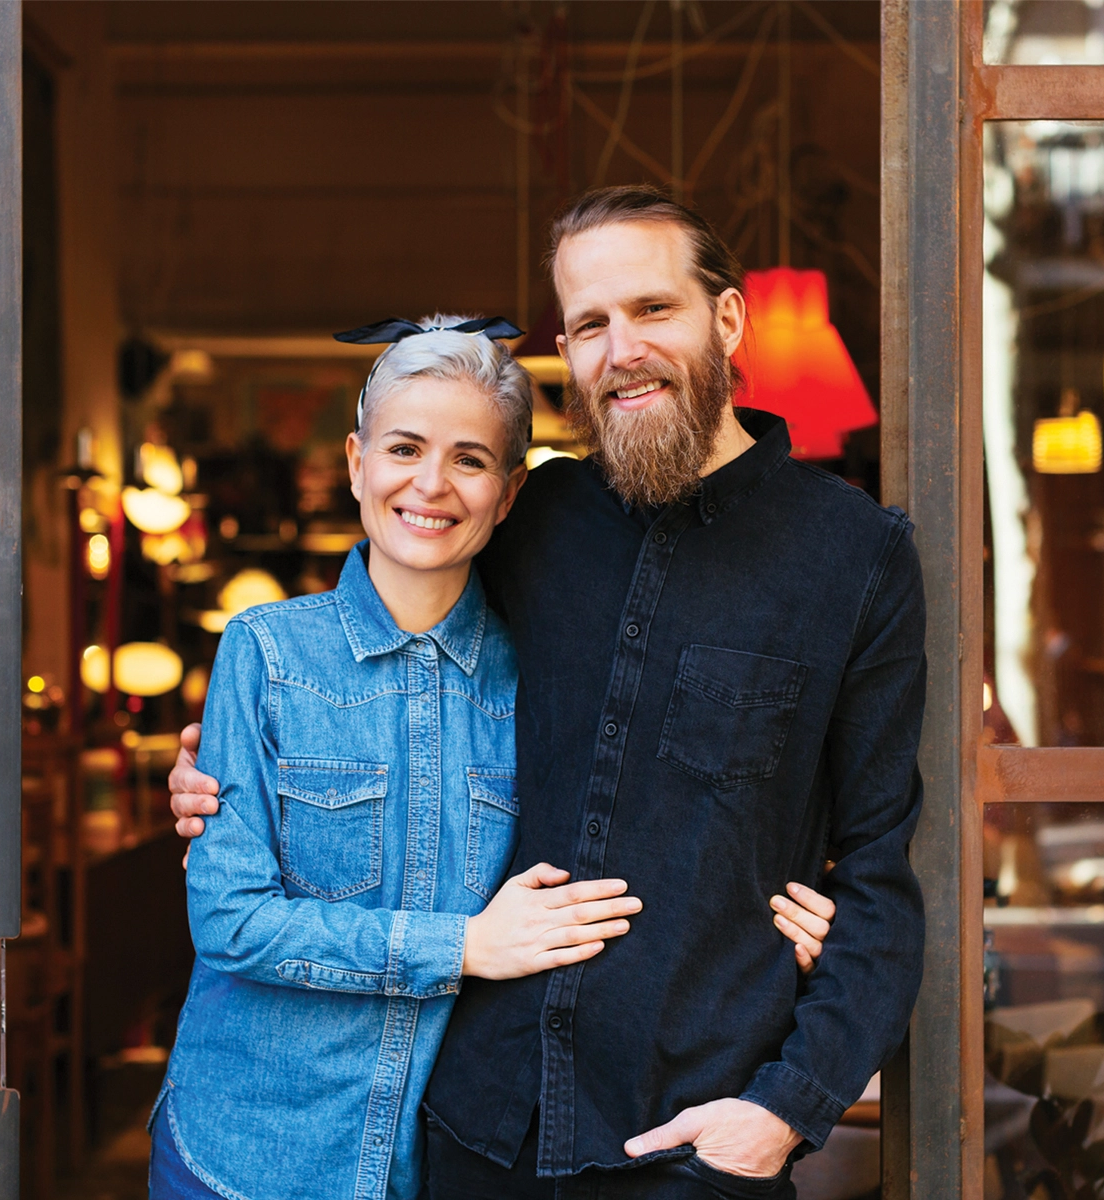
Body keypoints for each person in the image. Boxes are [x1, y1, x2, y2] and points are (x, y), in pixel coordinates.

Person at [171, 185, 913, 1200]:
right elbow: (400, 640)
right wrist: (222, 759)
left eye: (654, 310)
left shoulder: (855, 557)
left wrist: (789, 1105)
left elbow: (884, 865)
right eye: (591, 324)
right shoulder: (538, 519)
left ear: (728, 320)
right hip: (477, 1127)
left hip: (691, 1143)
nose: (623, 348)